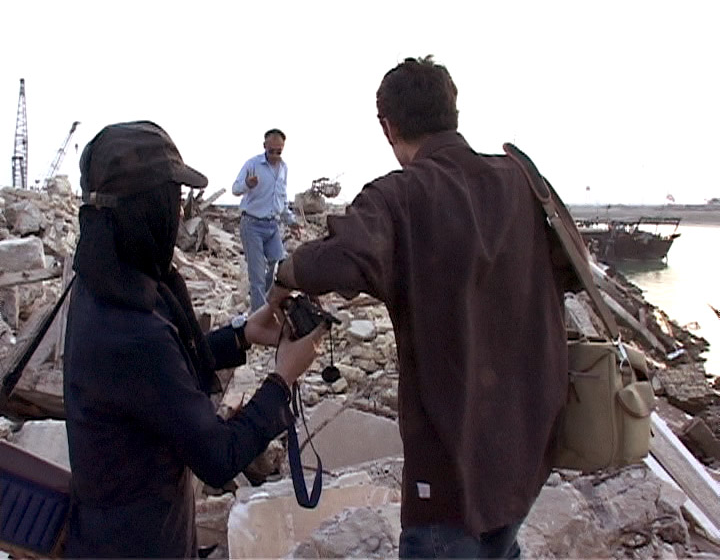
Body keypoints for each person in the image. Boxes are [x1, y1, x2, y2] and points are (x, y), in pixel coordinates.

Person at [274, 57, 572, 558]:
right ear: (452, 111)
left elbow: (339, 261)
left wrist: (282, 276)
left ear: (387, 126)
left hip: (451, 456)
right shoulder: (521, 179)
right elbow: (572, 272)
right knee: (501, 543)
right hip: (529, 434)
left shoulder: (400, 195)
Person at [63, 121, 325, 559]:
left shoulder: (108, 279)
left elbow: (166, 369)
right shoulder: (132, 331)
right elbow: (219, 457)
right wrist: (282, 380)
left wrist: (242, 334)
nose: (181, 215)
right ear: (148, 210)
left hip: (113, 534)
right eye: (174, 202)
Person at [232, 129, 299, 311]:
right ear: (264, 146)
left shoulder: (284, 168)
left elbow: (281, 200)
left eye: (279, 152)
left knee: (278, 263)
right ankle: (258, 316)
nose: (275, 156)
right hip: (252, 224)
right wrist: (248, 184)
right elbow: (235, 189)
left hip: (273, 225)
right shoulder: (253, 164)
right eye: (271, 151)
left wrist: (291, 221)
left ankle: (266, 303)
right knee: (257, 275)